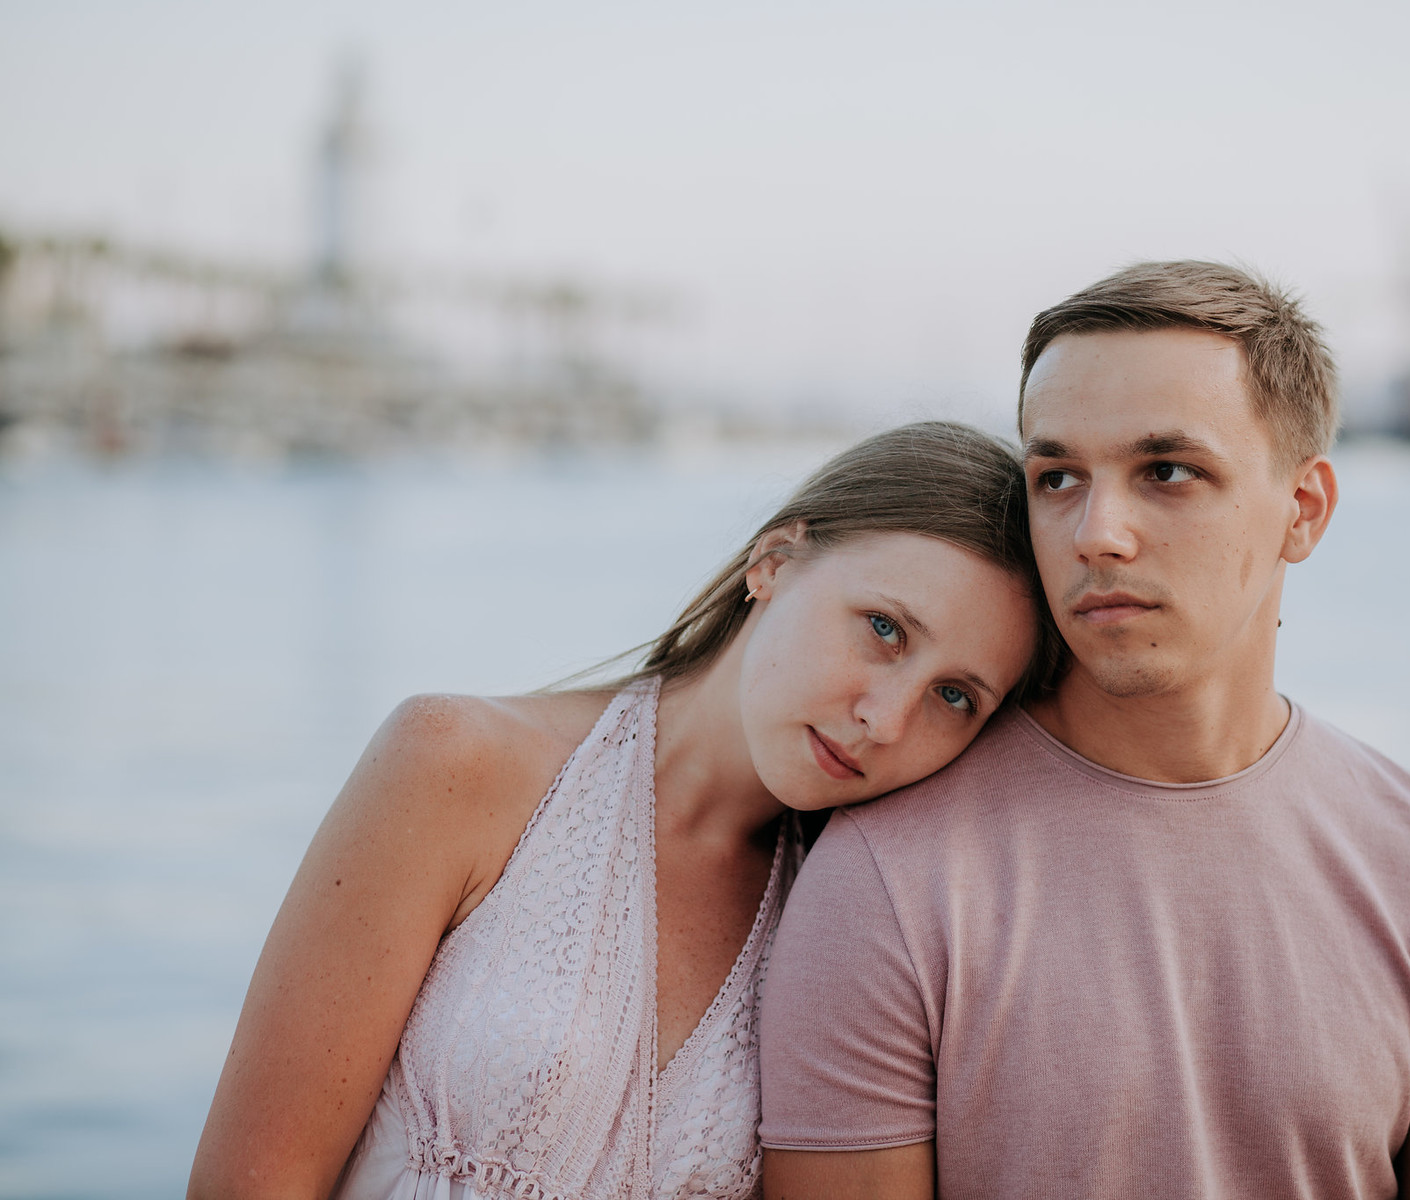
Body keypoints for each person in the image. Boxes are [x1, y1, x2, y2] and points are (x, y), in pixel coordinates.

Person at [759, 263, 1410, 1200]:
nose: (1099, 533)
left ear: (1303, 510)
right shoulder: (887, 881)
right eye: (1058, 477)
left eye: (1166, 472)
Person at [187, 421, 1053, 1200]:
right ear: (774, 565)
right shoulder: (458, 764)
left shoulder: (848, 925)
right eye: (884, 628)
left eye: (954, 696)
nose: (887, 718)